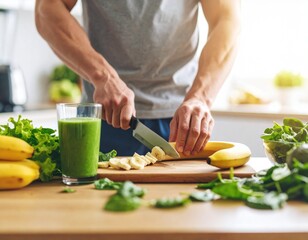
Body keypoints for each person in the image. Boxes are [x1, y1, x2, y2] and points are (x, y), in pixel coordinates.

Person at [35, 0, 241, 156]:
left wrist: (201, 97)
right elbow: (48, 9)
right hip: (102, 117)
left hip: (182, 124)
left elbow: (227, 19)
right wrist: (102, 76)